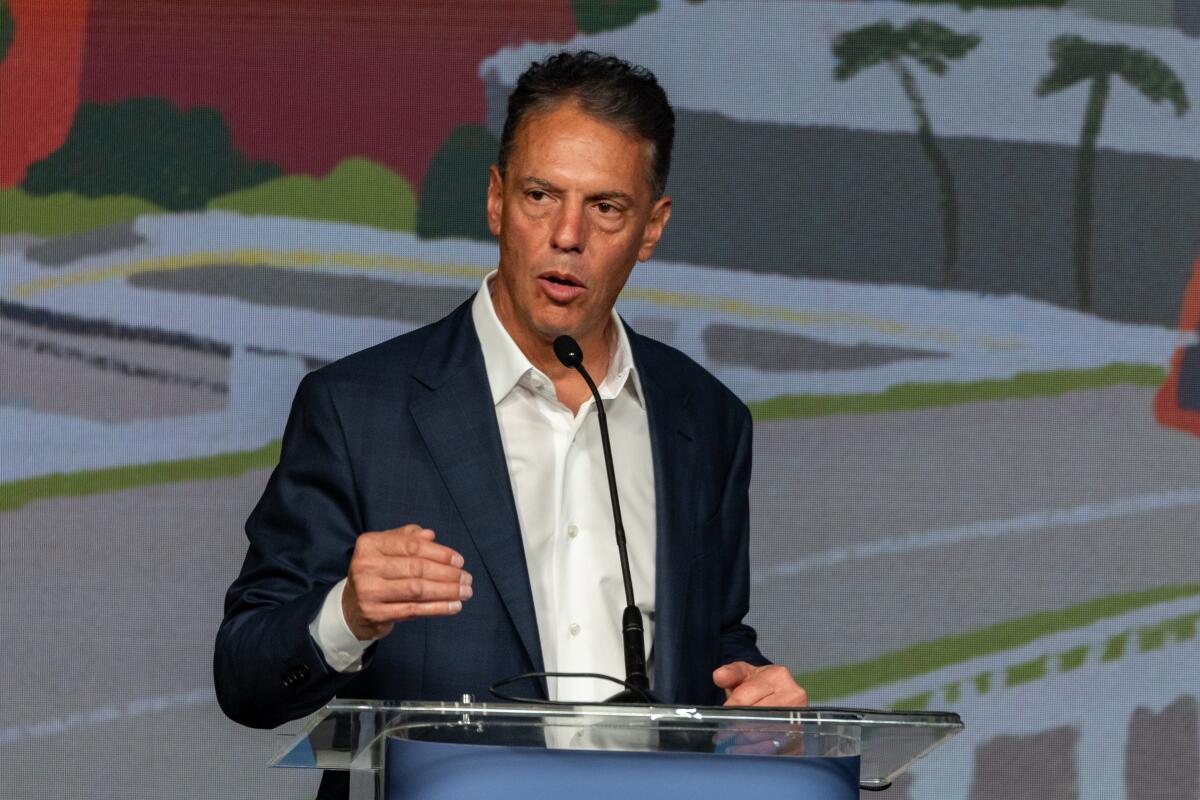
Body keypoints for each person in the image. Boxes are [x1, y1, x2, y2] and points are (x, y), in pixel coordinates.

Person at [214, 50, 806, 791]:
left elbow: (713, 640)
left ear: (651, 228)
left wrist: (749, 701)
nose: (567, 235)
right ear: (496, 200)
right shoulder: (357, 408)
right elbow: (243, 677)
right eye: (539, 196)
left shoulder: (707, 418)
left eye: (606, 207)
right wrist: (347, 614)